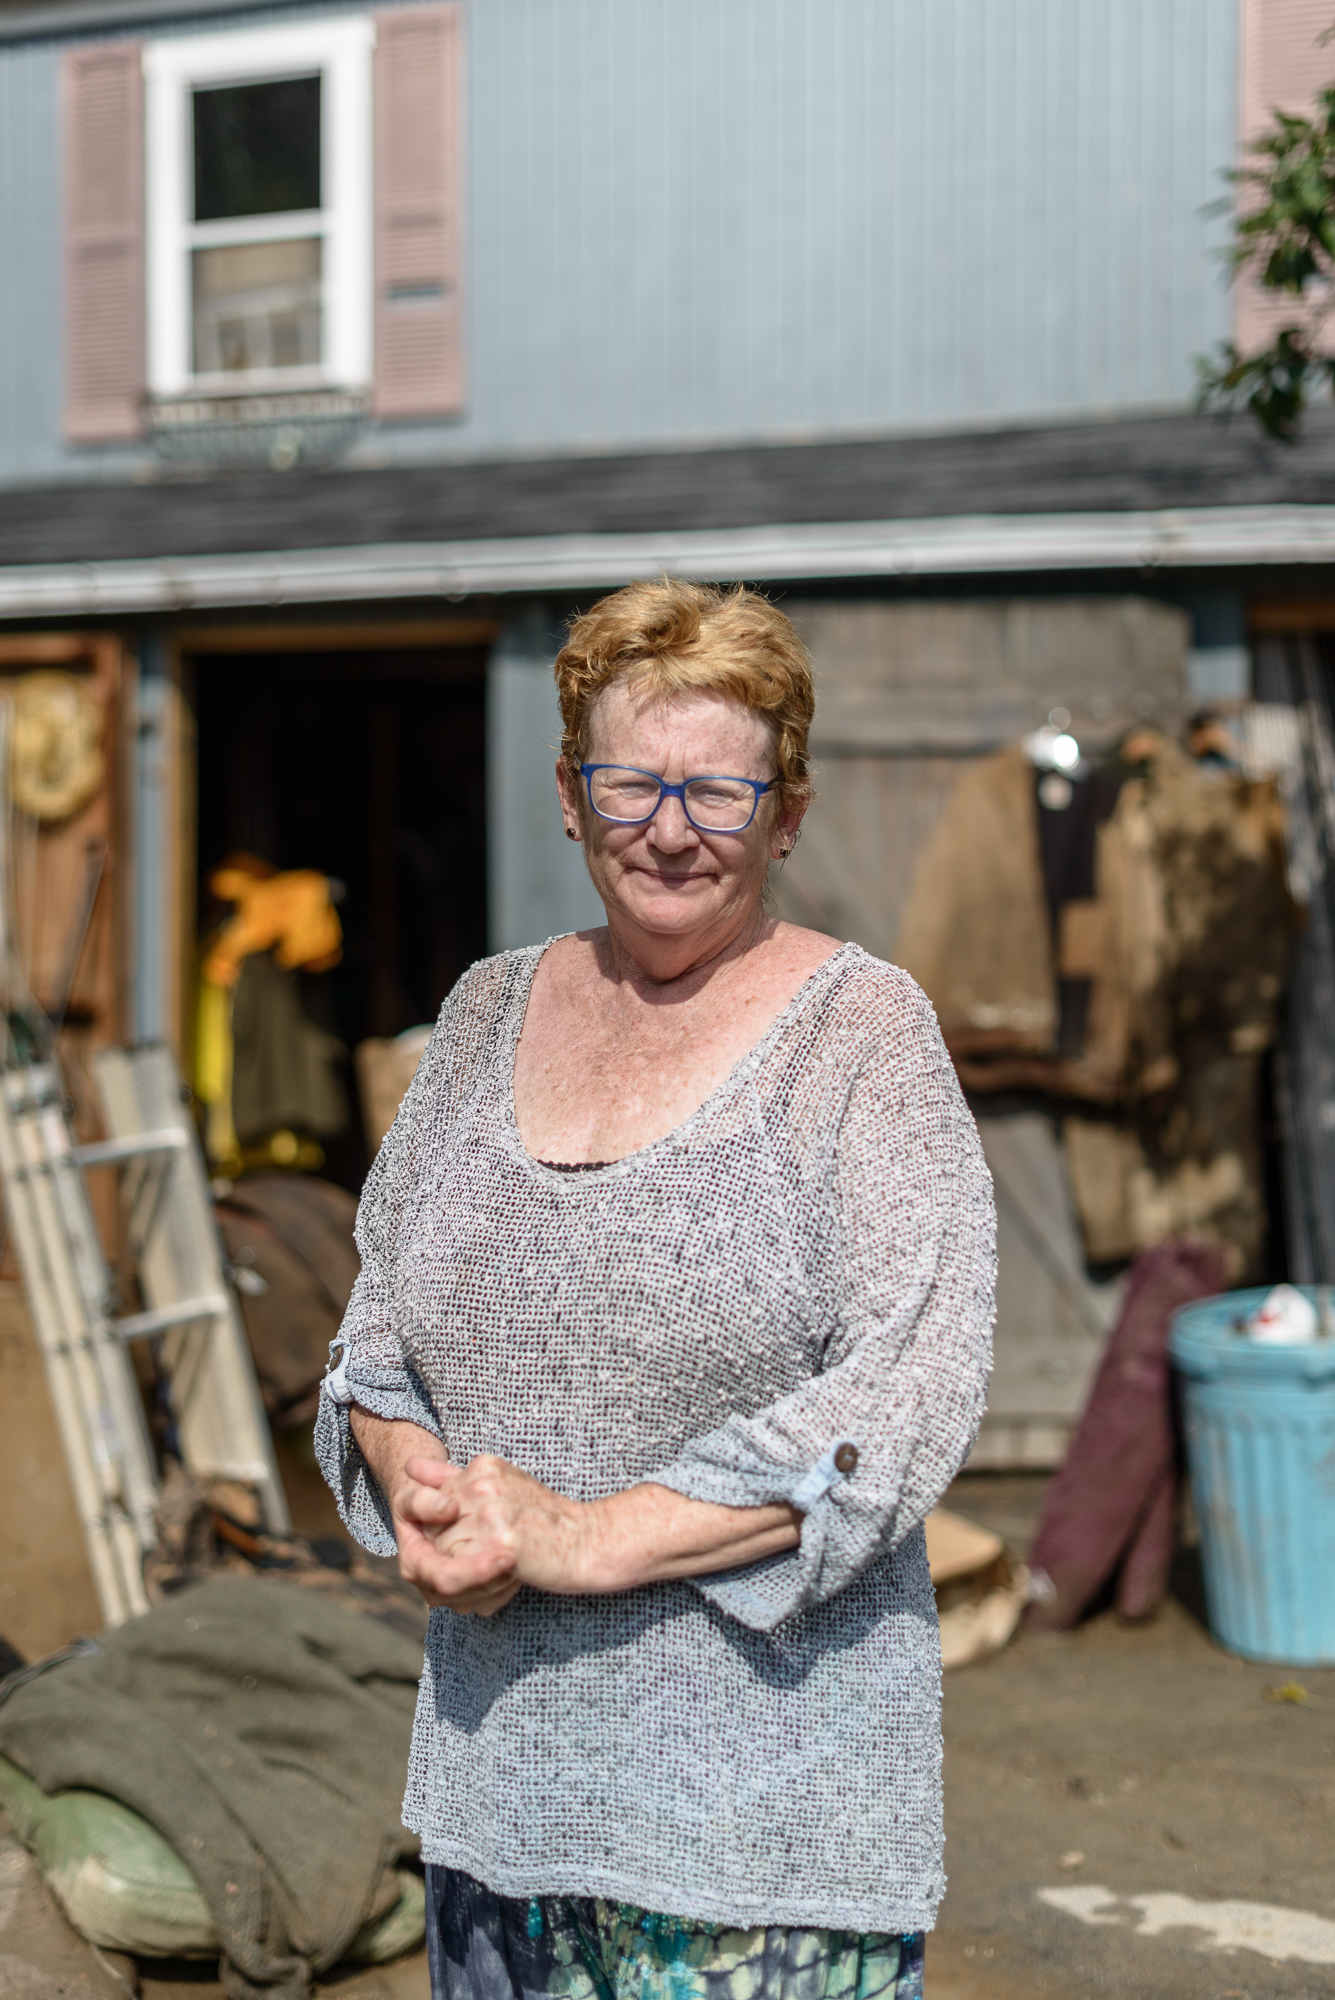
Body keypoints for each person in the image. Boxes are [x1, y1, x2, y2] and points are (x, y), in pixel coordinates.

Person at [316, 579, 995, 2000]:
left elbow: (908, 1395)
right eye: (630, 782)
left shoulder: (863, 1035)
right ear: (570, 794)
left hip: (763, 1847)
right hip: (500, 1813)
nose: (671, 829)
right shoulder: (485, 1011)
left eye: (721, 793)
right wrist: (422, 1478)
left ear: (788, 814)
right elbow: (376, 1333)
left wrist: (584, 1538)